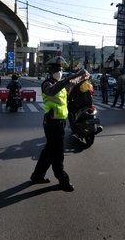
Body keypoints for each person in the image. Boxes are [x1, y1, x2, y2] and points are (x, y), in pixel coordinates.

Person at [30, 56, 89, 192]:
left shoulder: (61, 84)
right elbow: (52, 91)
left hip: (60, 122)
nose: (59, 71)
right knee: (57, 153)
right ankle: (63, 180)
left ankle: (37, 175)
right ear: (50, 70)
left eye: (61, 69)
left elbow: (72, 83)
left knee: (49, 150)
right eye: (57, 69)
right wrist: (69, 78)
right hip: (52, 123)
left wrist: (82, 76)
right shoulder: (47, 83)